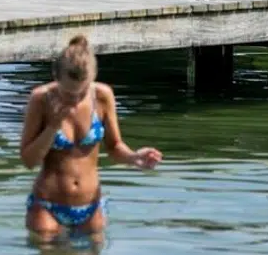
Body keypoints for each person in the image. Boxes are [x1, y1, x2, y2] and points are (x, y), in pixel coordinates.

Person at [20, 35, 162, 238]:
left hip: (92, 207)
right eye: (69, 94)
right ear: (55, 77)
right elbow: (28, 161)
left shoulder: (103, 96)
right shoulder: (41, 99)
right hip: (47, 206)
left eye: (83, 92)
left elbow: (114, 147)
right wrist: (52, 127)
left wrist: (134, 158)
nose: (76, 100)